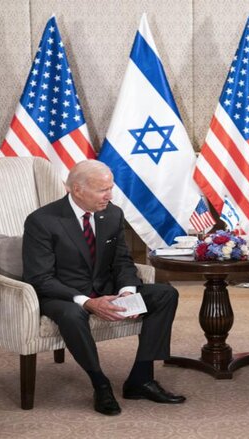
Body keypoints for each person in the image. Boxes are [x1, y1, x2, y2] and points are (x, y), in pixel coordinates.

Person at [22, 159, 185, 416]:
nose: (109, 195)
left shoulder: (112, 213)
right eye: (102, 190)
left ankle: (141, 379)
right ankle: (100, 383)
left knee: (165, 294)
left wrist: (127, 292)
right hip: (62, 294)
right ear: (77, 189)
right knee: (72, 315)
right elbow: (40, 277)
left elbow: (122, 261)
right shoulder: (42, 220)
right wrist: (86, 302)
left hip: (105, 288)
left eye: (110, 188)